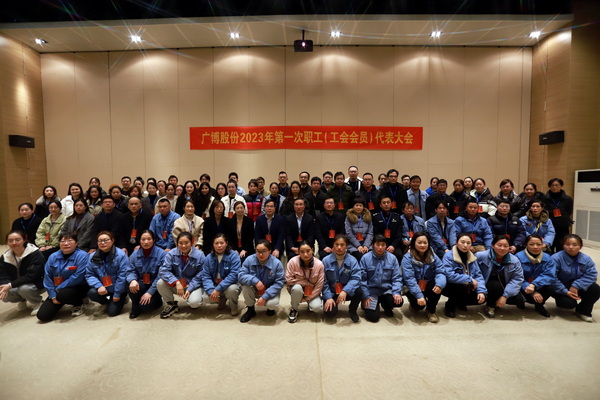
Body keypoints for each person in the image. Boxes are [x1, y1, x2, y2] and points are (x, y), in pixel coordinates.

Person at [37, 233, 90, 322]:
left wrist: (59, 288)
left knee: (63, 295)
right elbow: (47, 276)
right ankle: (62, 298)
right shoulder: (53, 256)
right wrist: (52, 295)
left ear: (76, 243)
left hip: (78, 286)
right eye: (63, 241)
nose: (66, 243)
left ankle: (79, 303)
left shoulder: (82, 255)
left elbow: (78, 277)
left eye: (70, 241)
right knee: (42, 316)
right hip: (58, 290)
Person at [550, 234, 599, 322]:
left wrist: (576, 286)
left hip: (577, 287)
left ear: (580, 246)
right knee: (568, 304)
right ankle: (562, 300)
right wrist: (565, 291)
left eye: (575, 245)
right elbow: (552, 278)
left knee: (595, 289)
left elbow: (592, 275)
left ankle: (583, 311)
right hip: (561, 288)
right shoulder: (556, 258)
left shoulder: (586, 259)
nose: (571, 247)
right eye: (567, 244)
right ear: (563, 245)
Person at [156, 232, 206, 318]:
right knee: (160, 283)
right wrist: (176, 282)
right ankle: (171, 304)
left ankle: (192, 297)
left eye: (186, 243)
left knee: (194, 303)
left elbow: (201, 275)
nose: (183, 246)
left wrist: (190, 288)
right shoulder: (171, 253)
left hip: (192, 285)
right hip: (177, 284)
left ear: (192, 242)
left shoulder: (200, 255)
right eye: (180, 243)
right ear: (177, 243)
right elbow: (163, 271)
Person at [476, 235, 525, 318]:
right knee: (495, 286)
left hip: (504, 286)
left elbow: (517, 279)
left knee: (519, 299)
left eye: (505, 246)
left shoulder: (514, 260)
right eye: (499, 245)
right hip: (486, 284)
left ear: (509, 247)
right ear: (492, 245)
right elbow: (476, 274)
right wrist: (481, 290)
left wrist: (505, 296)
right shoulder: (480, 256)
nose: (502, 248)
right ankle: (490, 306)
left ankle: (497, 301)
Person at [401, 232, 445, 323]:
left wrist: (440, 284)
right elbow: (410, 280)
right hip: (412, 286)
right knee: (418, 306)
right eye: (419, 242)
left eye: (425, 243)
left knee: (437, 286)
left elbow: (440, 271)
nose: (422, 245)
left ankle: (431, 311)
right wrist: (419, 296)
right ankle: (414, 304)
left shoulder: (433, 255)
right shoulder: (407, 258)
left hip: (427, 283)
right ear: (413, 243)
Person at [238, 239, 285, 323]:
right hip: (255, 288)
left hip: (270, 290)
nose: (260, 254)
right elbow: (241, 275)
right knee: (246, 287)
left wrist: (264, 297)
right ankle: (250, 310)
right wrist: (255, 281)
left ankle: (270, 309)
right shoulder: (249, 259)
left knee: (271, 304)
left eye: (264, 251)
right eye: (258, 251)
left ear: (270, 251)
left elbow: (279, 283)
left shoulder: (277, 263)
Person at [0, 230, 46, 315]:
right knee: (3, 291)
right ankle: (22, 300)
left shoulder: (35, 254)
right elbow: (3, 274)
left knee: (24, 289)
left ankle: (38, 302)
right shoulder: (5, 257)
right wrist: (4, 285)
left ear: (24, 240)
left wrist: (10, 285)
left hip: (38, 283)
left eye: (17, 240)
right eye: (10, 241)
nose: (14, 243)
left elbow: (32, 276)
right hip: (18, 283)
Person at [359, 234, 404, 322]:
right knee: (373, 317)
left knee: (398, 301)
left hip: (386, 290)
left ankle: (386, 306)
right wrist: (365, 296)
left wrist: (396, 292)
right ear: (373, 245)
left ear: (386, 246)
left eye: (383, 245)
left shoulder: (392, 258)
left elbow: (397, 278)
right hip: (371, 292)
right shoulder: (365, 258)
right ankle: (365, 304)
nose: (380, 247)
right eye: (377, 244)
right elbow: (362, 279)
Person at [441, 233, 487, 318]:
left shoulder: (472, 257)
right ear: (456, 243)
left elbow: (478, 275)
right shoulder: (448, 256)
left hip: (468, 285)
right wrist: (469, 279)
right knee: (459, 287)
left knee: (481, 298)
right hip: (450, 285)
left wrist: (481, 291)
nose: (465, 245)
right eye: (462, 242)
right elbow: (449, 275)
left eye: (468, 243)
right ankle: (449, 307)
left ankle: (460, 302)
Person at [86, 231, 130, 317]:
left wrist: (117, 294)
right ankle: (105, 303)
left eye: (106, 240)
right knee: (91, 293)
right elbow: (89, 274)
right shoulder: (92, 257)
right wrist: (99, 286)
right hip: (104, 288)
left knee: (112, 312)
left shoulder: (121, 255)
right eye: (100, 241)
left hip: (118, 288)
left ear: (112, 240)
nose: (103, 243)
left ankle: (123, 297)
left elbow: (122, 276)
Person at [321, 235, 362, 322]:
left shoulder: (352, 260)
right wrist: (328, 297)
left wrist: (345, 291)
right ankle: (331, 301)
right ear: (333, 245)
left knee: (359, 291)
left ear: (346, 246)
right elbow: (323, 281)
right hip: (332, 292)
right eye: (337, 244)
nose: (339, 247)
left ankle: (352, 310)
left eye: (342, 245)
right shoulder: (325, 260)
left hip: (346, 292)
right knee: (329, 313)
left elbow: (356, 278)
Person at [515, 234, 557, 317]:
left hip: (538, 285)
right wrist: (532, 291)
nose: (535, 247)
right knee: (516, 291)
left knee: (552, 285)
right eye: (531, 244)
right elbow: (516, 277)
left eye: (538, 244)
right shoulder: (517, 257)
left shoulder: (548, 258)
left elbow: (549, 275)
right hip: (522, 286)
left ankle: (539, 305)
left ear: (542, 245)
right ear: (526, 245)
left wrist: (534, 285)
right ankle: (521, 302)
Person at [127, 230, 166, 319]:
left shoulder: (162, 254)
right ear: (139, 241)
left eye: (149, 239)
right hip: (141, 283)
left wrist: (149, 292)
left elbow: (161, 275)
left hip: (155, 286)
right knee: (129, 283)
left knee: (145, 307)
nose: (146, 242)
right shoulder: (135, 254)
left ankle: (157, 301)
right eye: (143, 239)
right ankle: (135, 306)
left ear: (154, 240)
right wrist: (132, 280)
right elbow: (130, 270)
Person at [200, 233, 242, 316]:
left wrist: (218, 289)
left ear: (226, 243)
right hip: (215, 284)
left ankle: (234, 306)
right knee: (206, 297)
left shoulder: (234, 255)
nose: (219, 246)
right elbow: (205, 276)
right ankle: (222, 299)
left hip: (230, 284)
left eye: (222, 243)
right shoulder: (208, 257)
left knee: (232, 290)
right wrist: (211, 290)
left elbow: (234, 275)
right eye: (216, 243)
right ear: (213, 244)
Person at [285, 241, 325, 323]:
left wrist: (307, 298)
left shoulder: (319, 264)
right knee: (297, 288)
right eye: (302, 252)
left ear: (312, 250)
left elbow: (319, 286)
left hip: (312, 291)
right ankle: (294, 309)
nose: (305, 254)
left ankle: (310, 303)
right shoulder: (293, 262)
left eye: (308, 251)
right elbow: (288, 280)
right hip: (295, 290)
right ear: (298, 252)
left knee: (317, 307)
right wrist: (306, 283)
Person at [545, 178, 573, 253]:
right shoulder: (544, 199)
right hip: (549, 224)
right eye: (552, 185)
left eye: (557, 185)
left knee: (561, 244)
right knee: (550, 244)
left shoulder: (568, 199)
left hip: (562, 225)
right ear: (549, 186)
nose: (554, 187)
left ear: (561, 186)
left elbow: (569, 211)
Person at [371, 195, 403, 260]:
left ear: (391, 204)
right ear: (380, 205)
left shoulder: (397, 217)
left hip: (393, 245)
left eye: (388, 202)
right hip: (380, 244)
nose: (386, 204)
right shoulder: (375, 217)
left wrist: (393, 246)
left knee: (399, 255)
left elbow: (399, 234)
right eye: (384, 203)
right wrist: (383, 246)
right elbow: (375, 234)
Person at [345, 197, 373, 261]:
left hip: (366, 243)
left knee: (369, 256)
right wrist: (358, 246)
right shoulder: (348, 217)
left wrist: (366, 246)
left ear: (363, 207)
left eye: (360, 205)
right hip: (353, 244)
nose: (358, 207)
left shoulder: (368, 217)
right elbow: (349, 233)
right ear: (353, 206)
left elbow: (370, 233)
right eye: (356, 205)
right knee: (360, 256)